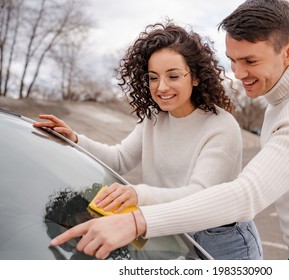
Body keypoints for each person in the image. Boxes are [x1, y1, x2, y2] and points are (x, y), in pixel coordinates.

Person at [49, 0, 289, 260]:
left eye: (249, 61)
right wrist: (74, 140)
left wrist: (136, 217)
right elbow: (120, 156)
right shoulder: (280, 92)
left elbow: (246, 195)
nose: (238, 73)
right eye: (232, 61)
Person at [34, 20, 263, 260]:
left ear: (195, 77)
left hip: (221, 242)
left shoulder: (222, 127)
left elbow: (199, 196)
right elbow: (119, 159)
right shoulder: (154, 118)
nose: (161, 87)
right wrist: (75, 140)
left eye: (173, 76)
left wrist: (138, 195)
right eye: (154, 78)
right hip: (167, 229)